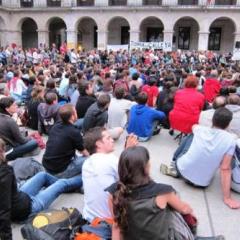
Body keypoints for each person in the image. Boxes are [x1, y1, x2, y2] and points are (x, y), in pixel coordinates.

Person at [0, 138, 82, 240]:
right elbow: (4, 210)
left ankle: (69, 186)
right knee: (62, 183)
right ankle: (85, 179)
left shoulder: (5, 170)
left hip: (19, 196)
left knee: (42, 175)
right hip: (26, 209)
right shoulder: (4, 173)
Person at [107, 146, 195, 240]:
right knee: (173, 211)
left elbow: (116, 226)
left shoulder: (114, 193)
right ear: (146, 167)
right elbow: (184, 209)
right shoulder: (163, 192)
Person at [165, 108, 240, 209]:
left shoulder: (200, 129)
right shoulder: (231, 140)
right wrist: (227, 198)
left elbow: (193, 126)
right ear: (228, 124)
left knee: (192, 136)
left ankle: (174, 162)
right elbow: (225, 168)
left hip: (182, 170)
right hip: (202, 183)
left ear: (212, 119)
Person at [82, 127, 138, 222]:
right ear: (98, 144)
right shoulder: (110, 160)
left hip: (89, 217)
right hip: (109, 221)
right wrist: (129, 150)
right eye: (108, 138)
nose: (112, 140)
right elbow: (133, 178)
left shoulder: (86, 163)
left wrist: (126, 151)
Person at [42, 104, 88, 178]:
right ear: (72, 116)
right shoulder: (74, 132)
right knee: (90, 159)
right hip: (60, 171)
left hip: (47, 165)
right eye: (75, 112)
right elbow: (85, 152)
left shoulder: (56, 126)